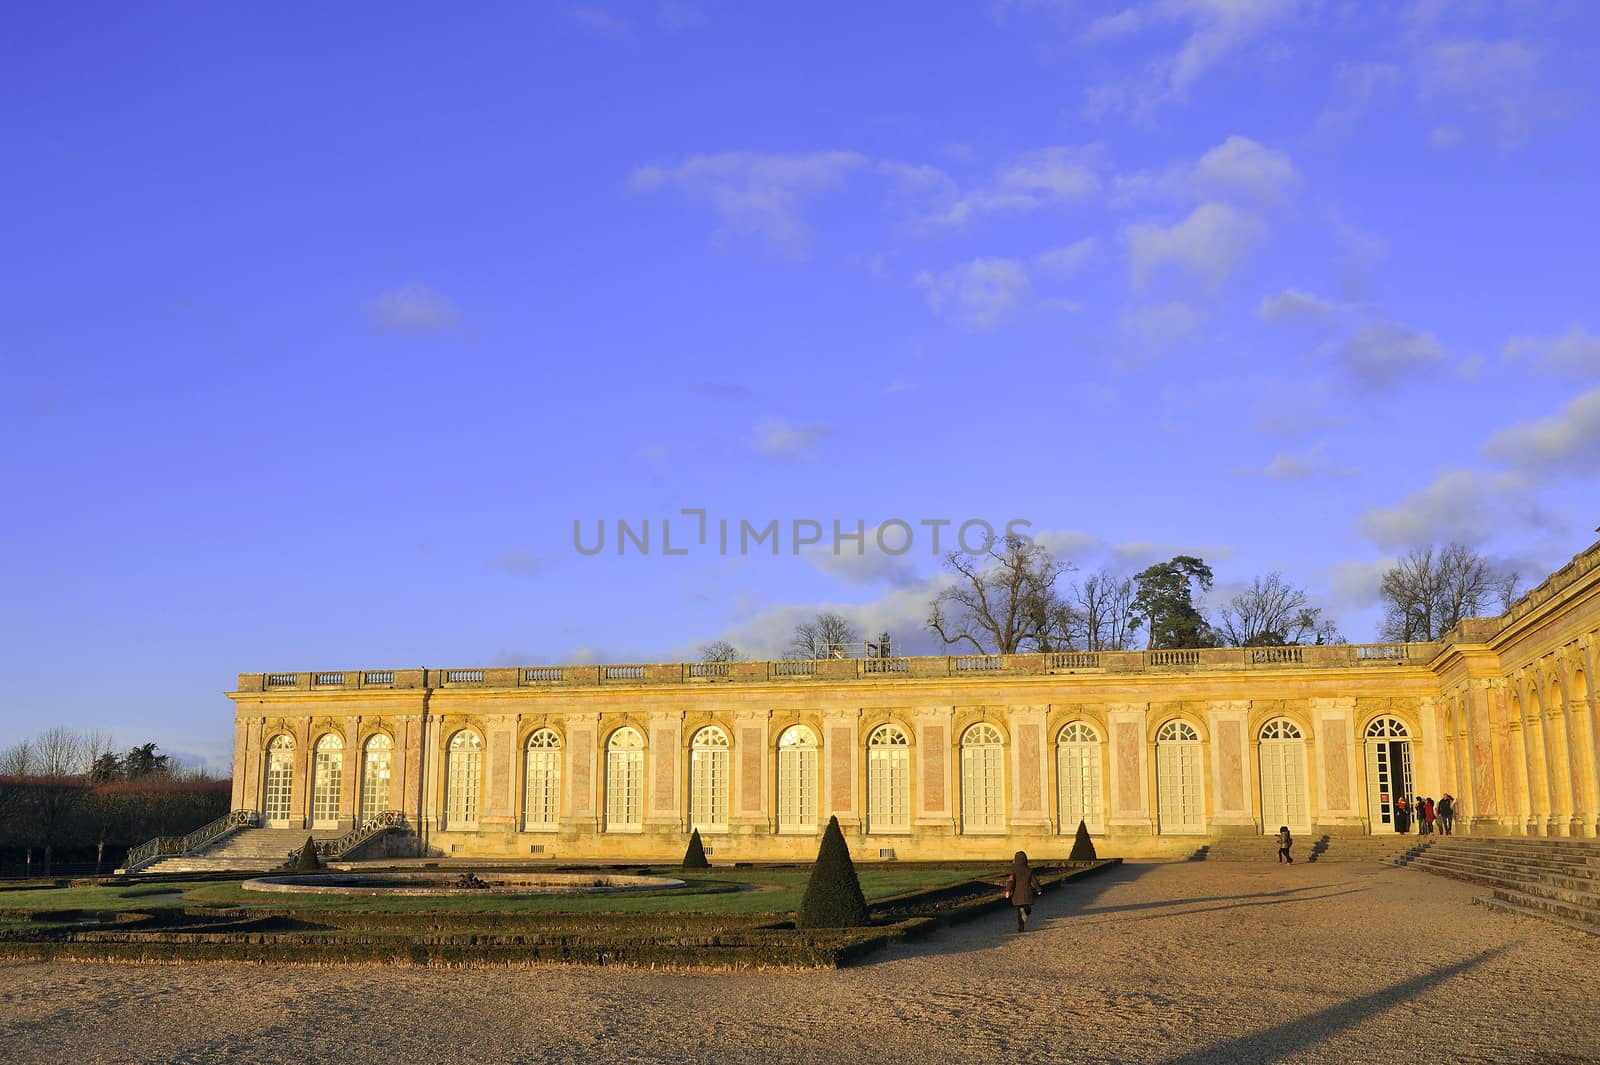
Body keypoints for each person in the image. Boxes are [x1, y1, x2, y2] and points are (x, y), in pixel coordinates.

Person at [1004, 850, 1043, 933]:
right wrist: (1038, 890)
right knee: (1028, 907)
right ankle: (1026, 910)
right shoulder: (1029, 870)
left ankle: (1021, 927)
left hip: (1017, 894)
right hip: (1027, 893)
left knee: (1019, 912)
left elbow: (1010, 881)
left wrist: (1008, 890)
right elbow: (1034, 881)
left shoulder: (1014, 870)